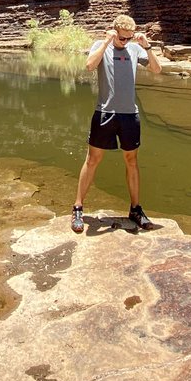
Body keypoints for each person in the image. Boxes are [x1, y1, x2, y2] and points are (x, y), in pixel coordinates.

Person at [71, 12, 161, 234]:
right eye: (122, 37)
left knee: (131, 160)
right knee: (93, 159)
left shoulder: (135, 49)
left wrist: (147, 46)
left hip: (129, 115)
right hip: (105, 113)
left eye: (129, 37)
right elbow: (89, 66)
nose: (126, 41)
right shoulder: (101, 45)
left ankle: (135, 210)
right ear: (113, 31)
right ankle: (78, 208)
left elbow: (157, 69)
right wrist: (106, 42)